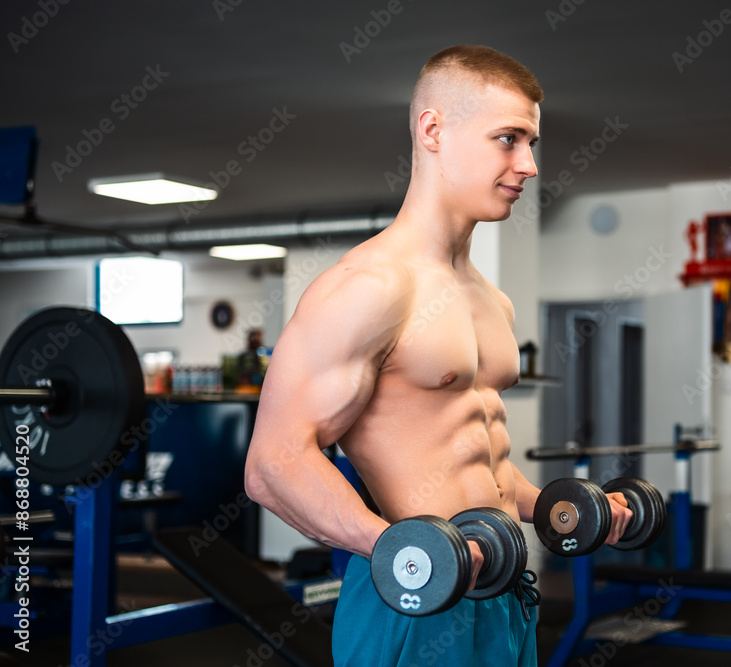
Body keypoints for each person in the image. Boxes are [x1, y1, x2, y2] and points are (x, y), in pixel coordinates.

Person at [244, 45, 633, 666]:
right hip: (415, 600)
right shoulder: (368, 287)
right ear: (432, 129)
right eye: (508, 139)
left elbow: (476, 466)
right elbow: (273, 464)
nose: (528, 165)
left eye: (531, 143)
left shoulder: (491, 302)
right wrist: (398, 548)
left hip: (503, 593)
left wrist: (557, 508)